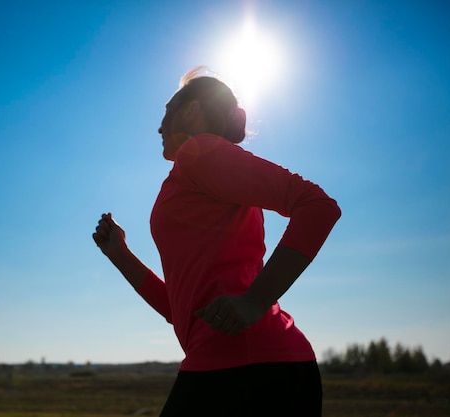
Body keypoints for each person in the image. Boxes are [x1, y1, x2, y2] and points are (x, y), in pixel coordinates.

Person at [92, 67, 341, 416]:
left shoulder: (202, 152)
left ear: (192, 111)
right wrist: (120, 255)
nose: (160, 126)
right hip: (251, 366)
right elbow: (179, 310)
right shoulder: (193, 171)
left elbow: (318, 207)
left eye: (167, 113)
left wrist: (255, 301)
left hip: (250, 368)